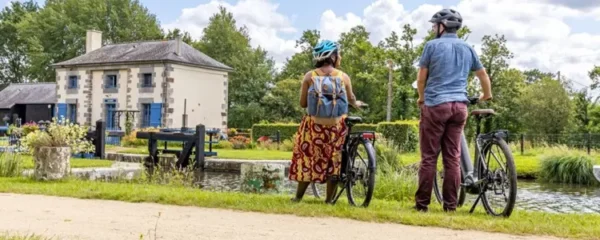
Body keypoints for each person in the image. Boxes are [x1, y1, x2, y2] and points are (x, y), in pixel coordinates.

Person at [414, 8, 493, 212]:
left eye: (434, 25)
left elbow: (421, 78)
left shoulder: (431, 46)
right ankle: (450, 206)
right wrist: (486, 95)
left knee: (429, 157)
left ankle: (422, 205)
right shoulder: (467, 48)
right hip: (459, 107)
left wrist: (421, 98)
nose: (433, 28)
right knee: (452, 158)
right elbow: (483, 75)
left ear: (443, 26)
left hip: (435, 105)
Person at [289, 40, 364, 203]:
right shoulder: (343, 77)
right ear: (334, 56)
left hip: (314, 128)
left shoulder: (310, 76)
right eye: (339, 54)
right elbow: (351, 99)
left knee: (308, 159)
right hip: (336, 128)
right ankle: (329, 200)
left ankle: (298, 198)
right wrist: (355, 103)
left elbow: (303, 104)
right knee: (334, 160)